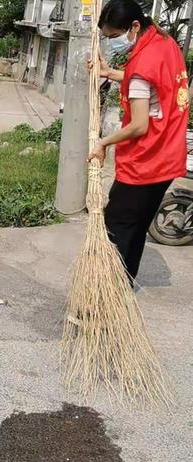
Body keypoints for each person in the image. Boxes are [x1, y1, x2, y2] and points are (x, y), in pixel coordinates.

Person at [88, 0, 189, 281]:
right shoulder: (164, 43)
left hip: (146, 162)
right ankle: (124, 284)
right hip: (168, 156)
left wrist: (104, 142)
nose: (112, 43)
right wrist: (110, 73)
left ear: (134, 26)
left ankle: (109, 290)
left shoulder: (144, 60)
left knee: (117, 227)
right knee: (137, 227)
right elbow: (149, 83)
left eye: (113, 36)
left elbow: (139, 126)